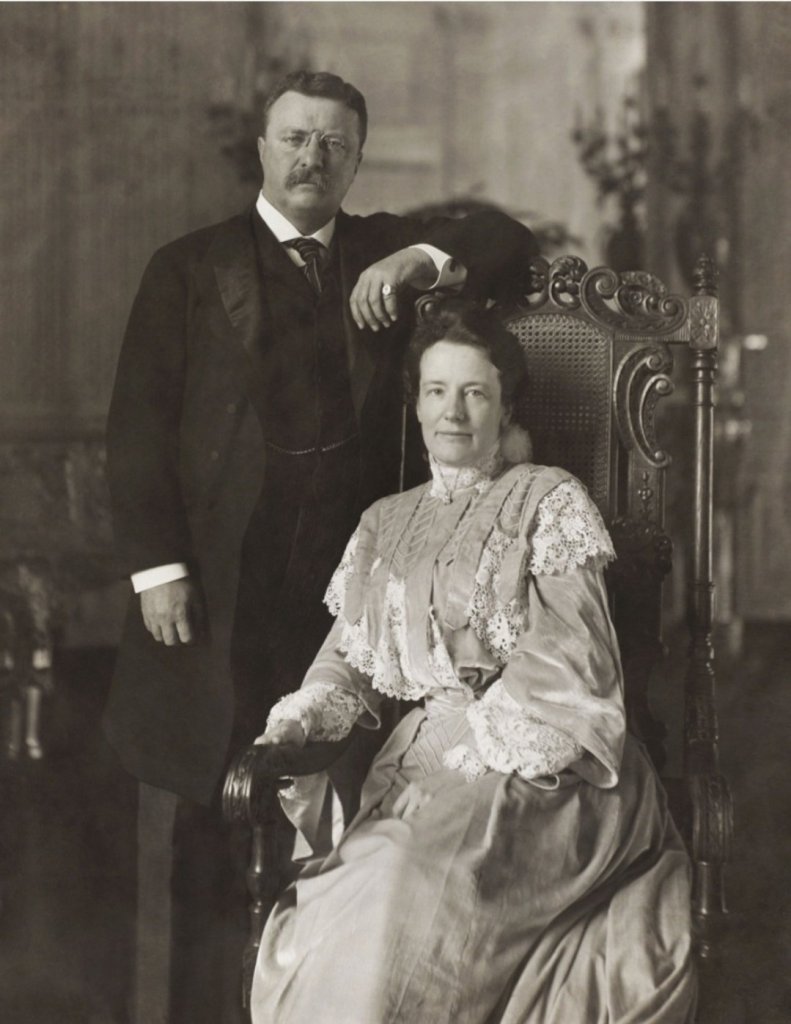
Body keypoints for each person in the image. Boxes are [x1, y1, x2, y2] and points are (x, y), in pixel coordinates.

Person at [102, 70, 538, 1023]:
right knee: (206, 805)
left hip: (345, 585)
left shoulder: (380, 248)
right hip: (218, 580)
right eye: (296, 139)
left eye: (334, 144)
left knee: (330, 810)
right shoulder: (188, 266)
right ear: (262, 149)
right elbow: (136, 429)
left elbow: (509, 241)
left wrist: (417, 257)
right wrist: (159, 568)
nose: (313, 158)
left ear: (357, 159)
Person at [251, 298, 696, 1024]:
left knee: (404, 880)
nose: (452, 411)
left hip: (544, 770)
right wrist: (302, 716)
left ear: (505, 406)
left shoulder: (547, 500)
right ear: (415, 405)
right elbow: (349, 658)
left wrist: (476, 745)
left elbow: (574, 661)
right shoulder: (384, 522)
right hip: (416, 770)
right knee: (364, 890)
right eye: (436, 391)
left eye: (474, 393)